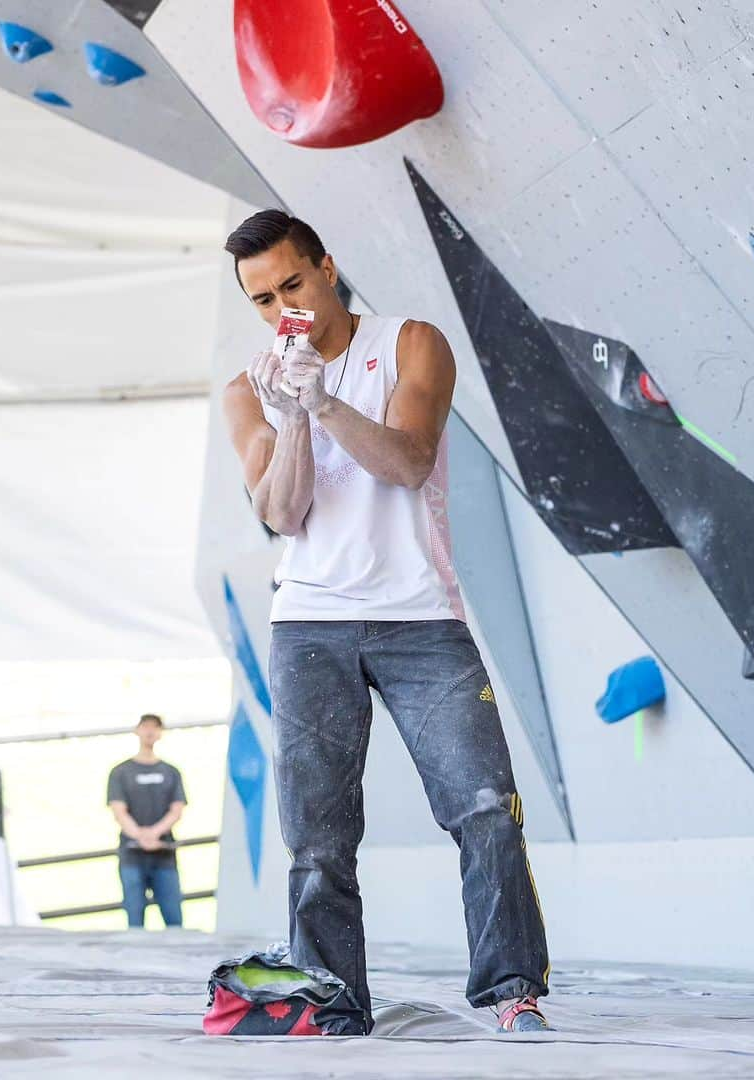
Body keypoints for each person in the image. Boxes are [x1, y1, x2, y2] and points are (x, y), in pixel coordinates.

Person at [221, 209, 550, 1034]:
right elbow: (283, 515)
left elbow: (407, 461)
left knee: (484, 805)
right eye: (262, 299)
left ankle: (515, 995)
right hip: (307, 626)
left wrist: (326, 404)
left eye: (292, 284)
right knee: (319, 839)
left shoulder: (410, 342)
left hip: (418, 618)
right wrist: (291, 416)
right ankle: (336, 1007)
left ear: (328, 268)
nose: (281, 307)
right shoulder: (246, 389)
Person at [107, 713, 187, 929]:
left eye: (155, 727)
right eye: (146, 726)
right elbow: (119, 811)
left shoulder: (171, 772)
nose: (150, 731)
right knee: (135, 918)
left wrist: (155, 833)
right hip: (132, 855)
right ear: (137, 730)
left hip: (164, 854)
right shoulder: (120, 772)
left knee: (174, 919)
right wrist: (140, 835)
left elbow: (176, 809)